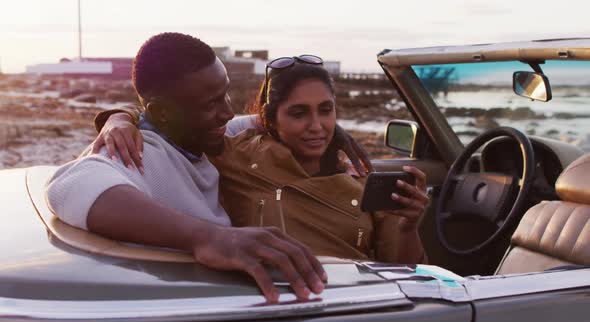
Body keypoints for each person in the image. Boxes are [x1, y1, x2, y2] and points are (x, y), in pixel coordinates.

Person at [45, 33, 336, 304]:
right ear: (162, 113)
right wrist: (207, 237)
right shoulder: (140, 152)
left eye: (226, 94)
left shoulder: (200, 136)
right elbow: (72, 184)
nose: (227, 111)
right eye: (211, 104)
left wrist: (330, 130)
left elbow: (261, 121)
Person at [93, 54, 430, 263]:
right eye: (298, 113)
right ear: (269, 118)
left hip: (353, 305)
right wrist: (120, 117)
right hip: (267, 306)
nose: (317, 126)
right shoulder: (232, 155)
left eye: (326, 111)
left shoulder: (362, 178)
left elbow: (402, 271)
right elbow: (174, 119)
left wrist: (408, 225)